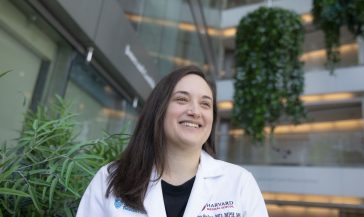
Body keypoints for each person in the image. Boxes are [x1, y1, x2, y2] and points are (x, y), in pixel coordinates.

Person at [76, 65, 269, 217]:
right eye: (182, 99)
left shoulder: (239, 183)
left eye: (205, 104)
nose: (195, 111)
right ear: (158, 110)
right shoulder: (111, 178)